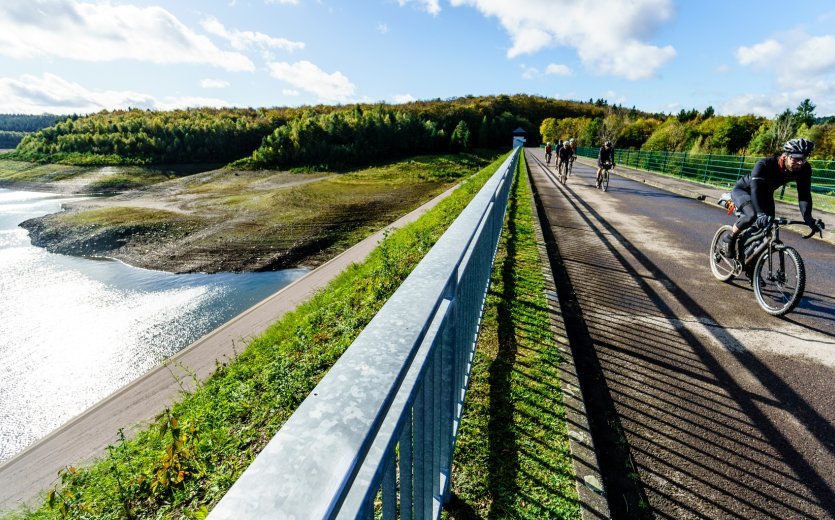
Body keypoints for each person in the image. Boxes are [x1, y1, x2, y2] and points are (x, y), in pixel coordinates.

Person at [719, 138, 821, 257]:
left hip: (766, 194)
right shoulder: (765, 164)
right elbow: (755, 189)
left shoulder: (804, 169)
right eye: (796, 158)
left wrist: (808, 218)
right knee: (751, 215)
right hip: (744, 191)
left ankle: (751, 259)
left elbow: (804, 194)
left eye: (803, 158)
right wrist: (760, 213)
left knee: (768, 226)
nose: (800, 163)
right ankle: (730, 238)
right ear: (785, 155)